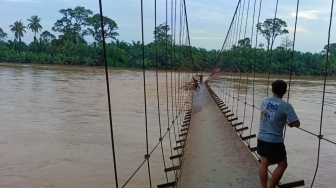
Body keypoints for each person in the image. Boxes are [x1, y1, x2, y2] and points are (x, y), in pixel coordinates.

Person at [257, 80, 300, 188]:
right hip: (274, 141)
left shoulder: (264, 101)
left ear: (272, 90)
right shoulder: (286, 106)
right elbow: (296, 123)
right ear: (285, 92)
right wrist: (290, 123)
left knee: (264, 162)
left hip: (261, 138)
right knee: (283, 164)